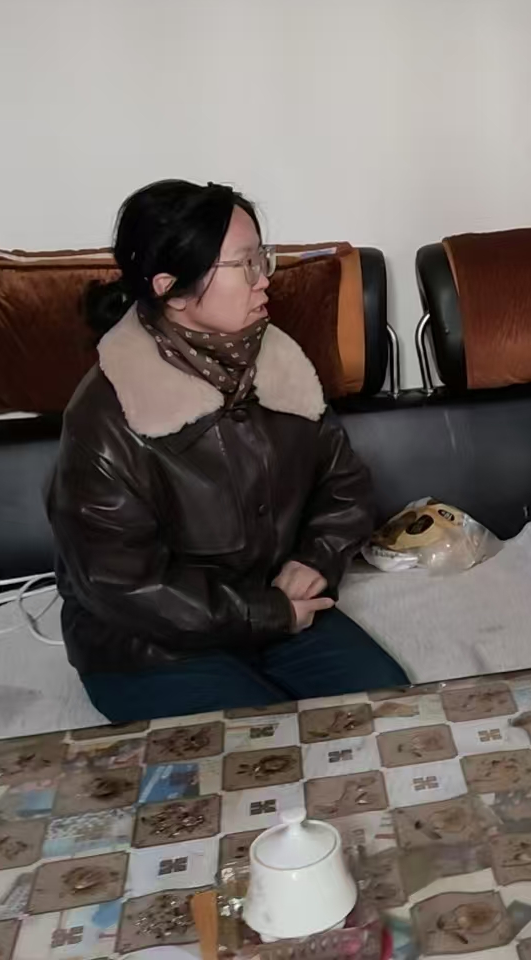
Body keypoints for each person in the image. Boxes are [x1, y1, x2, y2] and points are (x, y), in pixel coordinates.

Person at [47, 180, 407, 721]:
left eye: (263, 257)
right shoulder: (104, 417)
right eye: (245, 264)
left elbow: (343, 483)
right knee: (259, 749)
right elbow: (125, 586)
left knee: (388, 713)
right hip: (149, 645)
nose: (265, 279)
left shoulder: (279, 363)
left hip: (274, 610)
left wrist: (316, 557)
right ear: (172, 289)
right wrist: (268, 612)